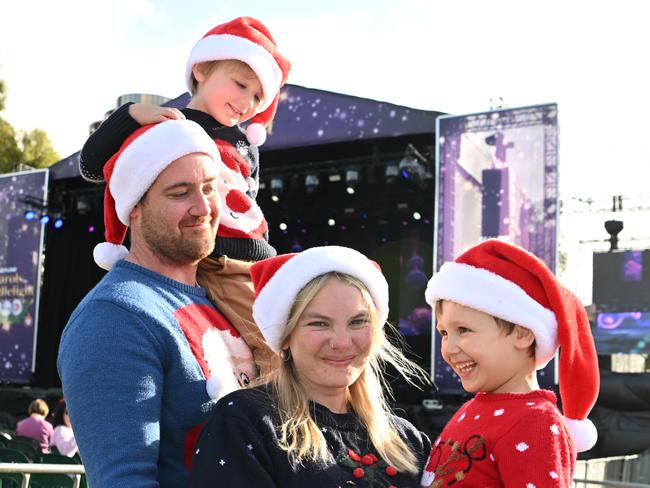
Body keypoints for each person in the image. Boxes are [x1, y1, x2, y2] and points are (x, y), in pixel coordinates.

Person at [79, 16, 291, 380]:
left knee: (296, 324)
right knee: (279, 350)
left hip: (253, 263)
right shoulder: (171, 125)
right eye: (240, 83)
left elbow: (249, 208)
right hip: (213, 260)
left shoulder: (247, 147)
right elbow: (92, 165)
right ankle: (284, 418)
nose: (247, 101)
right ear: (202, 68)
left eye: (258, 96)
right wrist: (129, 115)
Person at [58, 119, 251, 487]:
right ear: (134, 207)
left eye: (210, 188)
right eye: (180, 193)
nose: (203, 207)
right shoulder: (114, 318)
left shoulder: (222, 299)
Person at [190, 246, 432, 487]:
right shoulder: (246, 422)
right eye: (319, 324)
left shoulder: (407, 439)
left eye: (358, 322)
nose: (341, 342)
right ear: (285, 335)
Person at [420, 239, 600, 487]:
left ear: (523, 333)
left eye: (464, 329)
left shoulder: (536, 423)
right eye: (444, 333)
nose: (449, 349)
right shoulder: (476, 408)